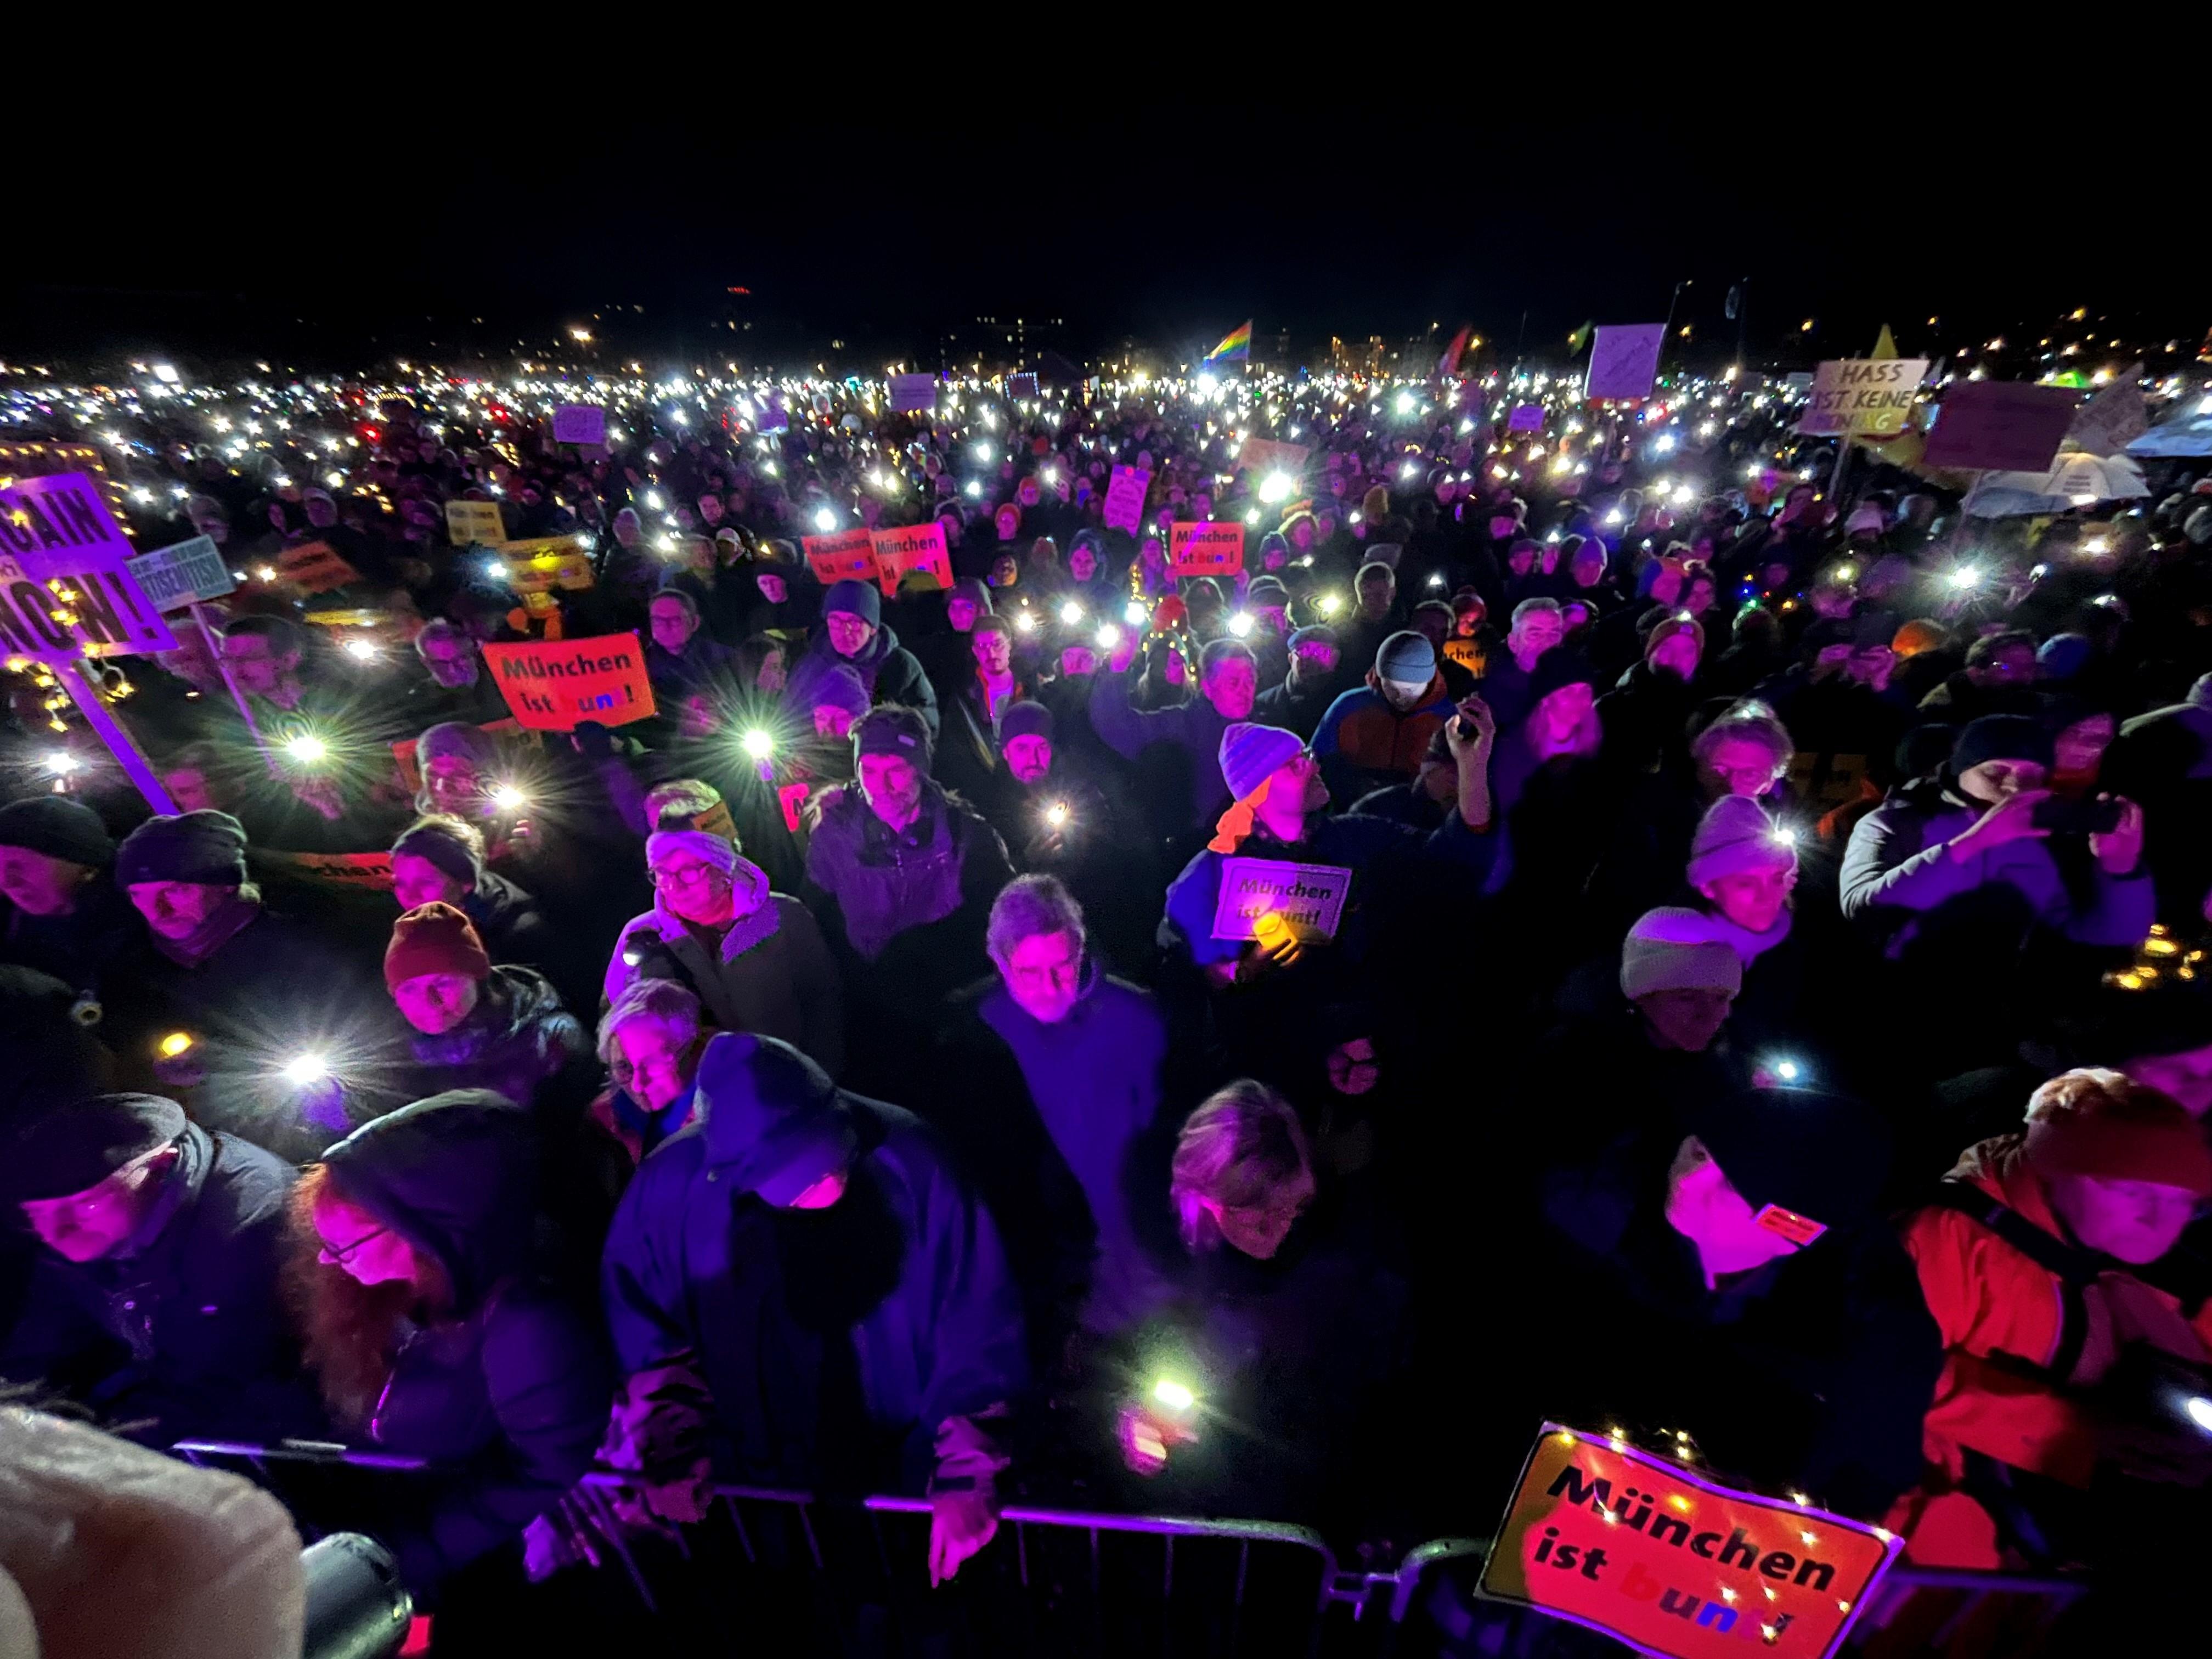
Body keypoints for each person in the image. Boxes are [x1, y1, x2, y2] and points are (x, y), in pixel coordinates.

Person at [596, 1033, 1026, 1585]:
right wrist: (674, 1444)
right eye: (795, 1182)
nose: (825, 1183)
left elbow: (978, 1318)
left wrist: (969, 1471)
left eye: (832, 1157)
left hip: (906, 1461)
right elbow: (647, 1330)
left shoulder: (916, 1162)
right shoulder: (672, 1190)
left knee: (912, 1597)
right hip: (756, 1468)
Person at [1527, 1084, 1941, 1521]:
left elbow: (1860, 1489)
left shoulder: (1874, 1332)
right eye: (1701, 1153)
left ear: (1788, 1230)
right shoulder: (1589, 1211)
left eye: (1734, 1184)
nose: (1688, 1180)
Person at [289, 1091, 611, 1605]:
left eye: (342, 1247)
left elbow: (541, 1467)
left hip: (485, 1570)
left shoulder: (527, 1323)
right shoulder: (406, 1292)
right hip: (411, 1528)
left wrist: (413, 1553)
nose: (328, 1263)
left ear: (423, 1231)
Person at [1893, 1070, 2212, 1568]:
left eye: (2180, 1200)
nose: (2158, 1219)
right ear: (2054, 1170)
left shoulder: (2158, 1266)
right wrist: (2072, 1434)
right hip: (1937, 1549)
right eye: (2130, 1191)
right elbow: (1885, 1371)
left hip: (2089, 1552)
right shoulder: (1948, 1237)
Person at [1114, 1079, 1414, 1538]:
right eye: (1259, 1217)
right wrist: (1139, 1429)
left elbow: (1370, 1408)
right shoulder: (1169, 1271)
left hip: (1308, 1513)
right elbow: (1138, 1373)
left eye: (1293, 1208)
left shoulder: (1344, 1275)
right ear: (1206, 1197)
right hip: (1210, 1517)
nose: (1280, 1229)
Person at [933, 877, 1176, 1360]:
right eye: (1030, 971)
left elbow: (1166, 1139)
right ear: (1000, 963)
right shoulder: (972, 1035)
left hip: (1136, 1252)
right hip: (1041, 1259)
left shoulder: (1137, 1017)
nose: (1051, 986)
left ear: (1082, 949)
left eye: (1064, 965)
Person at [0, 1093, 324, 1446]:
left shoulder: (247, 1225)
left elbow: (222, 1382)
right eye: (38, 1215)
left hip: (278, 1422)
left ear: (161, 1165)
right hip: (169, 1386)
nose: (57, 1233)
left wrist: (94, 1452)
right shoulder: (80, 1227)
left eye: (86, 1205)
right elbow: (43, 1342)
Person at [112, 810, 397, 1158]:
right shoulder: (143, 967)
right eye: (139, 895)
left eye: (177, 890)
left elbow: (364, 1042)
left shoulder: (308, 946)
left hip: (333, 1130)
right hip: (238, 1140)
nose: (158, 910)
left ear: (226, 884)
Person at [802, 706, 1011, 1086]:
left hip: (946, 1009)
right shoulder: (835, 835)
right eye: (869, 771)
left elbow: (998, 921)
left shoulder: (966, 835)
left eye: (896, 770)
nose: (882, 786)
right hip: (872, 1009)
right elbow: (818, 916)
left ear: (920, 768)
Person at [603, 825, 845, 1077]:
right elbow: (617, 1021)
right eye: (662, 874)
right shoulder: (641, 936)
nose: (674, 886)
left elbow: (823, 1002)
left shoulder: (784, 916)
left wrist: (822, 1076)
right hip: (699, 1099)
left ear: (723, 870)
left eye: (688, 872)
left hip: (789, 1081)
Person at [385, 902, 590, 1111]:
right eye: (409, 990)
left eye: (442, 983)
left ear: (477, 977)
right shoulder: (393, 1058)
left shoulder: (552, 1039)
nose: (429, 1001)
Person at [1090, 634, 1259, 837]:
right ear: (1208, 687)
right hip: (1196, 843)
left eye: (1250, 680)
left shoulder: (1262, 728)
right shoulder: (1181, 725)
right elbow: (1118, 726)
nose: (1245, 690)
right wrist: (1115, 672)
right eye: (1233, 683)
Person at [0, 795, 138, 1002]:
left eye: (20, 866)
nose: (9, 882)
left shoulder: (156, 926)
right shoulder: (16, 935)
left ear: (83, 863)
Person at [390, 813, 558, 981]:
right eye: (400, 883)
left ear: (466, 882)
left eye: (425, 883)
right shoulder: (433, 915)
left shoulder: (518, 937)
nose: (408, 895)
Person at [1309, 630, 1457, 806]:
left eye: (1410, 689)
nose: (1400, 697)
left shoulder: (1448, 717)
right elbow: (1317, 759)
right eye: (1392, 688)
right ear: (1380, 678)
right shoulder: (1349, 706)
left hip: (1421, 814)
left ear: (1429, 680)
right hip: (1353, 808)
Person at [583, 978, 706, 1188]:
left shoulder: (733, 1104)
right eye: (624, 1067)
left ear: (690, 1050)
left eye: (652, 1064)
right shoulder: (605, 1124)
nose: (638, 1085)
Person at [787, 578, 939, 738]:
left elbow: (925, 724)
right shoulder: (813, 663)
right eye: (836, 621)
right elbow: (790, 711)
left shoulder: (899, 665)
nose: (844, 631)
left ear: (873, 628)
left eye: (854, 623)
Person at [1252, 624, 1341, 738]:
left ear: (1336, 657)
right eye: (1304, 651)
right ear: (1291, 658)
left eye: (1323, 652)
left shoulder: (1348, 698)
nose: (1313, 659)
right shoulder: (1265, 704)